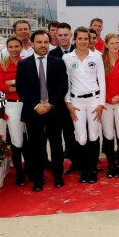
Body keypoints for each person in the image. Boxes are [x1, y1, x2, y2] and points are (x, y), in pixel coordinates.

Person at [16, 30, 68, 191]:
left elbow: (63, 86)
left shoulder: (58, 62)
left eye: (45, 42)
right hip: (34, 112)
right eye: (39, 42)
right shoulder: (24, 64)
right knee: (36, 147)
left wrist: (50, 104)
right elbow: (21, 88)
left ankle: (58, 176)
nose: (43, 45)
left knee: (56, 145)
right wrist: (36, 105)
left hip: (54, 110)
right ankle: (38, 179)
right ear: (32, 44)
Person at [63, 26, 106, 184]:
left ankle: (92, 169)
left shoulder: (97, 57)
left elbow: (102, 81)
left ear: (90, 40)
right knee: (81, 138)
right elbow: (66, 82)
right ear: (74, 40)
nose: (83, 42)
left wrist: (102, 104)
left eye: (86, 39)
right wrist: (68, 103)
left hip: (94, 101)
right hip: (76, 102)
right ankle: (83, 169)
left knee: (94, 136)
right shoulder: (68, 58)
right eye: (80, 38)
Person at [0, 36, 26, 186]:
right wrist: (19, 85)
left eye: (16, 46)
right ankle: (19, 173)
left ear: (21, 47)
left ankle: (31, 169)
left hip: (28, 103)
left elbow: (31, 83)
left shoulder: (26, 63)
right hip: (13, 105)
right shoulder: (2, 64)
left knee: (30, 138)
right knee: (16, 140)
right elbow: (0, 86)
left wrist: (11, 82)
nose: (14, 49)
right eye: (11, 47)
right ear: (7, 48)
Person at [49, 22, 80, 174]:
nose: (62, 38)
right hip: (58, 102)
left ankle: (77, 162)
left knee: (74, 134)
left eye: (65, 35)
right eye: (59, 35)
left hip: (78, 101)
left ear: (71, 35)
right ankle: (58, 167)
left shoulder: (80, 51)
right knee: (57, 137)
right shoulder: (51, 55)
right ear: (56, 35)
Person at [101, 33, 119, 178]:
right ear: (106, 45)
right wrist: (108, 98)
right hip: (106, 102)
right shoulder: (100, 60)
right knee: (108, 133)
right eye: (112, 43)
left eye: (118, 43)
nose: (116, 46)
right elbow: (98, 83)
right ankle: (111, 164)